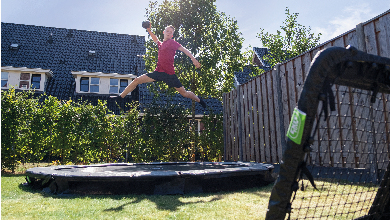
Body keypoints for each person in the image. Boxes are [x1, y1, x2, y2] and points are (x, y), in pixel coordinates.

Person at [112, 23, 207, 109]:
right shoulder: (161, 45)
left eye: (171, 32)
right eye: (167, 31)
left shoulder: (172, 42)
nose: (169, 33)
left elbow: (184, 50)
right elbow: (155, 39)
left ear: (172, 35)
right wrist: (149, 30)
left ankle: (199, 100)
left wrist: (193, 59)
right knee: (136, 80)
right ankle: (120, 97)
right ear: (164, 32)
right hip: (158, 73)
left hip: (170, 75)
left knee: (184, 93)